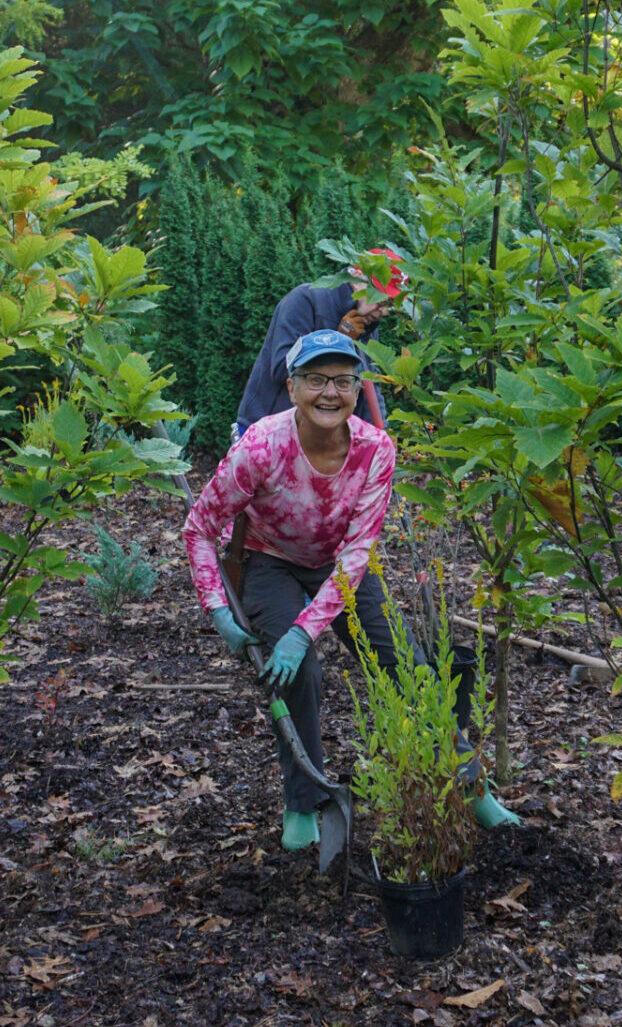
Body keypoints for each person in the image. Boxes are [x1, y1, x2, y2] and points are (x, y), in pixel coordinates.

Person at [184, 330, 518, 853]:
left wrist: (306, 629)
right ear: (291, 387)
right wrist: (218, 608)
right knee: (299, 674)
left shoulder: (374, 451)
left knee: (411, 668)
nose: (329, 393)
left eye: (342, 380)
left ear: (357, 388)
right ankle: (303, 802)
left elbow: (358, 554)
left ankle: (471, 785)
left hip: (341, 568)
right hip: (271, 563)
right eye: (315, 379)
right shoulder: (261, 447)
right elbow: (199, 527)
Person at [233, 248, 405, 440]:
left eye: (389, 304)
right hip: (267, 435)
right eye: (381, 301)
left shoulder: (367, 324)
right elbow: (283, 368)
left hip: (321, 443)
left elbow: (370, 386)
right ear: (358, 281)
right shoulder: (305, 300)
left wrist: (381, 436)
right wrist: (340, 340)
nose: (384, 312)